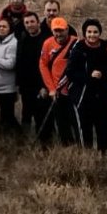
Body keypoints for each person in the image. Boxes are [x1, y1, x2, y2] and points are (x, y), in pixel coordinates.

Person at [66, 19, 107, 153]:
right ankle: (87, 160)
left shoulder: (106, 48)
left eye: (95, 32)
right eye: (89, 32)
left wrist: (103, 74)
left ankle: (101, 157)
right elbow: (70, 72)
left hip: (102, 96)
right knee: (85, 131)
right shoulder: (78, 49)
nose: (92, 35)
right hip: (83, 96)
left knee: (103, 130)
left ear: (100, 33)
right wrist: (88, 76)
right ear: (85, 33)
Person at [39, 18, 78, 146]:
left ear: (67, 29)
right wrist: (51, 88)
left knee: (76, 121)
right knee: (61, 122)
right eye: (56, 31)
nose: (59, 34)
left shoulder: (76, 42)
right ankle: (67, 147)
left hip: (73, 90)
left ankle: (81, 147)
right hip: (57, 90)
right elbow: (43, 65)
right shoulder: (47, 44)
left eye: (61, 30)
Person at [17, 12, 51, 136]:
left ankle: (44, 146)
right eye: (26, 22)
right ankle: (24, 143)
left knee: (41, 117)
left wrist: (45, 86)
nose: (30, 25)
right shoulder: (23, 38)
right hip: (26, 86)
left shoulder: (47, 40)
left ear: (38, 22)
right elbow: (20, 62)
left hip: (41, 86)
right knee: (26, 114)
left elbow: (49, 66)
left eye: (32, 22)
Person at [0, 18, 20, 134]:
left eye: (4, 26)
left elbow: (10, 64)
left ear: (10, 29)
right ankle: (7, 135)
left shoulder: (13, 44)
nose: (1, 29)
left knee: (8, 114)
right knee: (5, 113)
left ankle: (14, 136)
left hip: (8, 87)